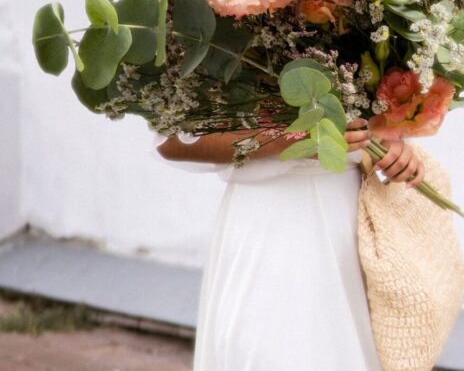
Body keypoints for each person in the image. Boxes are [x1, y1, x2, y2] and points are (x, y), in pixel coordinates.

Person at [155, 119, 426, 371]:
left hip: (347, 218)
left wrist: (391, 145)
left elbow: (374, 119)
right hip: (265, 219)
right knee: (268, 350)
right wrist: (291, 138)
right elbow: (171, 141)